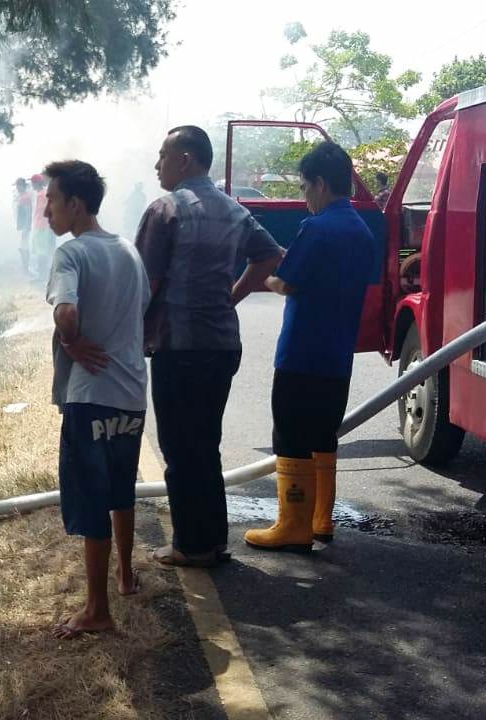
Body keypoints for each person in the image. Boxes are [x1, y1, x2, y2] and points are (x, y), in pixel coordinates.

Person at [136, 125, 284, 568]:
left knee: (181, 448)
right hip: (221, 344)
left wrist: (129, 334)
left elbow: (147, 284)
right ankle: (212, 540)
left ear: (185, 159)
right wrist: (231, 297)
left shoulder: (164, 209)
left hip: (179, 347)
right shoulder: (233, 210)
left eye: (162, 154)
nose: (157, 163)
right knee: (206, 442)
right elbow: (270, 256)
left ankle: (190, 545)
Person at [245, 141, 378, 552]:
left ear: (320, 183)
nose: (304, 198)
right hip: (337, 355)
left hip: (301, 354)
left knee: (290, 437)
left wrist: (265, 277)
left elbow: (287, 283)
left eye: (304, 188)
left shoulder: (317, 228)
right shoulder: (361, 229)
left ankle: (292, 525)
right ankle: (321, 521)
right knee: (324, 435)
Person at [42, 160, 150, 638]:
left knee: (90, 500)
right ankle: (125, 575)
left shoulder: (71, 254)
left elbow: (66, 313)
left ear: (75, 205)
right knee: (121, 490)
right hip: (131, 392)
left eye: (52, 199)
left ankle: (96, 610)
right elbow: (141, 307)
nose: (46, 209)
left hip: (91, 395)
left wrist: (71, 342)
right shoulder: (127, 249)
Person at [30, 173, 56, 279]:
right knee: (42, 250)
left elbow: (44, 211)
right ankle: (42, 274)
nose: (32, 185)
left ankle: (42, 275)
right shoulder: (43, 193)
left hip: (41, 225)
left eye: (32, 183)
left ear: (36, 183)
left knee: (41, 251)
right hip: (42, 225)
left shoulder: (41, 195)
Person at [14, 177, 34, 276]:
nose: (17, 188)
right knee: (22, 248)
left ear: (22, 186)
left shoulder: (25, 197)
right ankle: (25, 268)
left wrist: (26, 227)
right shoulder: (22, 197)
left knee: (24, 248)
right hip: (23, 226)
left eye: (18, 186)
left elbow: (28, 213)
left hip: (25, 227)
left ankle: (25, 269)